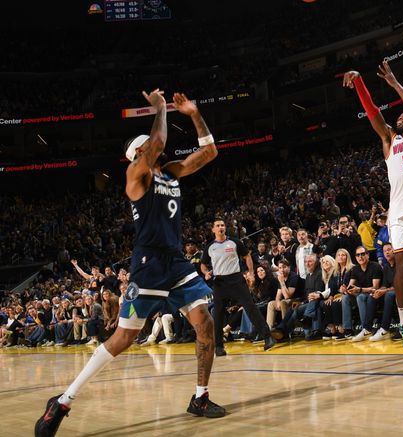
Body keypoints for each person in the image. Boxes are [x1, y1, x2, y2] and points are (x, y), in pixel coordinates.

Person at [36, 90, 223, 437]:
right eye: (148, 147)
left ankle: (200, 397)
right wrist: (162, 109)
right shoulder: (138, 175)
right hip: (149, 265)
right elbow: (158, 139)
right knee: (123, 338)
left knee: (205, 324)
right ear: (136, 153)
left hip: (177, 263)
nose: (157, 148)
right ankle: (62, 400)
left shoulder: (170, 172)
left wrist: (195, 114)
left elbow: (210, 152)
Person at [344, 61, 403, 352]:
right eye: (398, 116)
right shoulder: (389, 139)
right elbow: (373, 112)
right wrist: (360, 82)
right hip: (397, 213)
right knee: (401, 269)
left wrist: (396, 84)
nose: (401, 117)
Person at [201, 218, 274, 357]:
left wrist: (251, 273)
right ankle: (219, 346)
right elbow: (203, 265)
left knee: (251, 308)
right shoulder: (210, 247)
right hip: (219, 282)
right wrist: (206, 273)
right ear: (213, 229)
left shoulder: (234, 242)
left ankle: (268, 337)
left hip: (236, 279)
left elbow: (247, 257)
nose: (221, 227)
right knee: (218, 313)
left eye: (223, 225)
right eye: (218, 225)